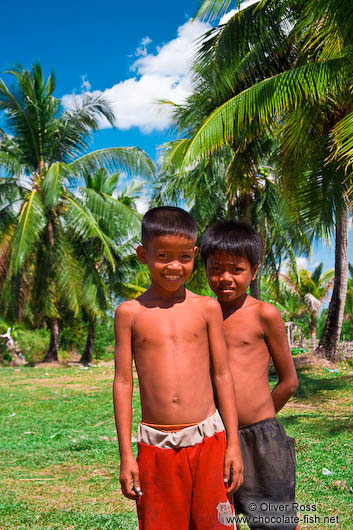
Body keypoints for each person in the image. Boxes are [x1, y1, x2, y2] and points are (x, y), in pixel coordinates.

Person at [113, 206, 243, 530]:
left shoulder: (207, 308)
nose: (174, 266)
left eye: (184, 256)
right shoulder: (130, 313)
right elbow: (123, 382)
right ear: (144, 254)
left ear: (195, 254)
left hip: (209, 439)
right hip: (156, 445)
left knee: (216, 524)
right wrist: (126, 455)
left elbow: (222, 375)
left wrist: (234, 445)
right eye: (163, 256)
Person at [201, 220, 300, 530]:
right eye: (216, 269)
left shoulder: (264, 314)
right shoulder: (204, 315)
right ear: (204, 268)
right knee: (220, 517)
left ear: (254, 270)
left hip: (262, 439)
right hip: (215, 438)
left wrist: (261, 417)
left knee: (274, 522)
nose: (225, 278)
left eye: (236, 269)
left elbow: (289, 381)